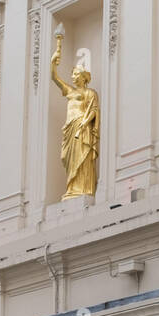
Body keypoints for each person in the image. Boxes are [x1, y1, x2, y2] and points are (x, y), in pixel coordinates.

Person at [51, 35, 100, 200]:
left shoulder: (90, 93)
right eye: (72, 74)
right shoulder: (69, 91)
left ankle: (83, 187)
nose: (73, 77)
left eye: (76, 74)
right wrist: (53, 62)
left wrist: (85, 123)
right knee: (67, 157)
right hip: (70, 129)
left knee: (83, 157)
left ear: (84, 77)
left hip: (82, 127)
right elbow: (54, 78)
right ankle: (72, 187)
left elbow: (93, 110)